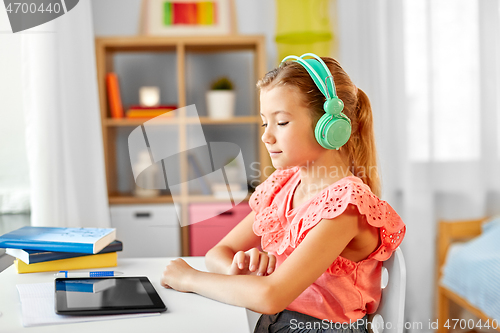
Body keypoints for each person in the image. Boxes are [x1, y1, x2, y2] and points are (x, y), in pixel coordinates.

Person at [160, 54, 406, 333]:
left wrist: (190, 279)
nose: (267, 136)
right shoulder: (284, 185)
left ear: (330, 127)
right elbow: (218, 252)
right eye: (266, 123)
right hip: (275, 323)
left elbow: (270, 296)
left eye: (282, 122)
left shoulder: (346, 205)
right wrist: (241, 271)